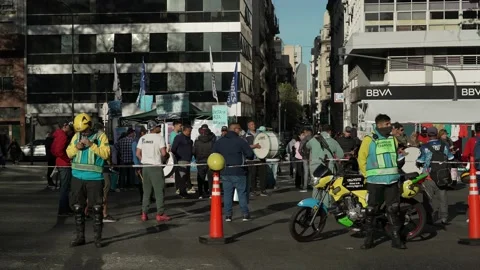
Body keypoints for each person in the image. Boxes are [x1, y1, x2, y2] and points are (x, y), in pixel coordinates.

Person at [357, 114, 406, 250]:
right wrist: (367, 175)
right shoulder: (369, 140)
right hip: (375, 181)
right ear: (378, 125)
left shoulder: (393, 139)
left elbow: (396, 156)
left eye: (390, 124)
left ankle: (396, 239)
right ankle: (369, 240)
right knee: (371, 210)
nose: (389, 127)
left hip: (392, 180)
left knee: (393, 209)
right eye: (387, 124)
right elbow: (361, 158)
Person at [67, 113, 110, 248]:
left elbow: (106, 154)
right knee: (77, 207)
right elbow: (68, 153)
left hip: (94, 178)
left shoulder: (101, 136)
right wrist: (76, 148)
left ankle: (98, 239)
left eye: (84, 130)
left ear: (90, 126)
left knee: (97, 208)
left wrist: (91, 145)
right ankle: (80, 237)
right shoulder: (76, 136)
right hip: (77, 177)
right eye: (80, 131)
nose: (83, 133)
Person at [213, 123, 254, 221]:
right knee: (242, 193)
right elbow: (250, 154)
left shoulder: (220, 142)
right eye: (239, 129)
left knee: (227, 194)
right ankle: (245, 214)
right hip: (239, 171)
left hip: (225, 171)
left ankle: (228, 215)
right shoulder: (241, 141)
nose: (240, 131)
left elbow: (214, 154)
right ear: (235, 129)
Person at [416, 127, 454, 225]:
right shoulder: (444, 145)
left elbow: (420, 161)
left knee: (428, 199)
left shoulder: (424, 146)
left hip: (428, 176)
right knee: (443, 197)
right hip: (442, 175)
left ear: (428, 135)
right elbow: (451, 157)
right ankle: (444, 218)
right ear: (437, 134)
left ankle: (428, 218)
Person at [136, 120, 171, 222]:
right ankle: (160, 213)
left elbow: (137, 153)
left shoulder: (143, 138)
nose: (160, 127)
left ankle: (144, 213)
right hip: (156, 167)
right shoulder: (159, 138)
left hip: (145, 167)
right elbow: (164, 153)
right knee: (159, 191)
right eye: (158, 126)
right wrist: (168, 155)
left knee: (146, 192)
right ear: (154, 127)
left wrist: (144, 160)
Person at [309, 125, 344, 204]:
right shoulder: (333, 141)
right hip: (328, 168)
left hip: (314, 167)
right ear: (330, 132)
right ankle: (325, 208)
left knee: (316, 187)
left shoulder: (313, 140)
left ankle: (314, 206)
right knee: (327, 188)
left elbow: (306, 147)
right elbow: (341, 155)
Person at [94, 123, 116, 223]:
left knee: (91, 192)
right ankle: (104, 214)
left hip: (92, 169)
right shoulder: (102, 137)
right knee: (104, 191)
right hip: (103, 168)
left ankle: (85, 213)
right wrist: (110, 163)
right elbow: (106, 154)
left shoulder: (90, 137)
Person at [51, 122, 74, 217]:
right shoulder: (63, 136)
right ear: (65, 127)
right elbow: (58, 151)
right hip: (64, 164)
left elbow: (53, 150)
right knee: (65, 188)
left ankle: (65, 208)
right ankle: (63, 210)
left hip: (60, 162)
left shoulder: (58, 134)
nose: (71, 130)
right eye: (70, 128)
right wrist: (67, 158)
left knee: (64, 187)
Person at [172, 124, 194, 197]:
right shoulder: (179, 138)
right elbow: (173, 148)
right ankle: (182, 192)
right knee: (182, 176)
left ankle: (184, 190)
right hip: (181, 159)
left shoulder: (189, 139)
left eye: (190, 131)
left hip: (188, 160)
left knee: (186, 176)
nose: (190, 132)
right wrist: (177, 156)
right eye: (189, 131)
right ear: (184, 130)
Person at [193, 126, 215, 199]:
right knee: (210, 178)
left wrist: (197, 158)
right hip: (210, 162)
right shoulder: (211, 141)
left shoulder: (197, 141)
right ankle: (211, 193)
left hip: (200, 161)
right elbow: (213, 151)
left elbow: (194, 152)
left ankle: (200, 194)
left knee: (200, 178)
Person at [245, 120, 266, 196]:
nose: (253, 125)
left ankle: (263, 190)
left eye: (254, 124)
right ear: (248, 126)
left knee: (262, 175)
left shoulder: (260, 134)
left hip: (261, 157)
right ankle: (253, 190)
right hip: (252, 158)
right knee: (252, 175)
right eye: (251, 124)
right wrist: (255, 146)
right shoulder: (246, 135)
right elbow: (245, 146)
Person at [299, 127, 314, 192]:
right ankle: (313, 185)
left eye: (305, 132)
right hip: (312, 157)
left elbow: (300, 149)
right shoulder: (314, 139)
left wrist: (302, 155)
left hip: (305, 157)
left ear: (308, 132)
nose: (304, 133)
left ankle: (305, 186)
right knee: (312, 172)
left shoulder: (304, 139)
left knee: (306, 172)